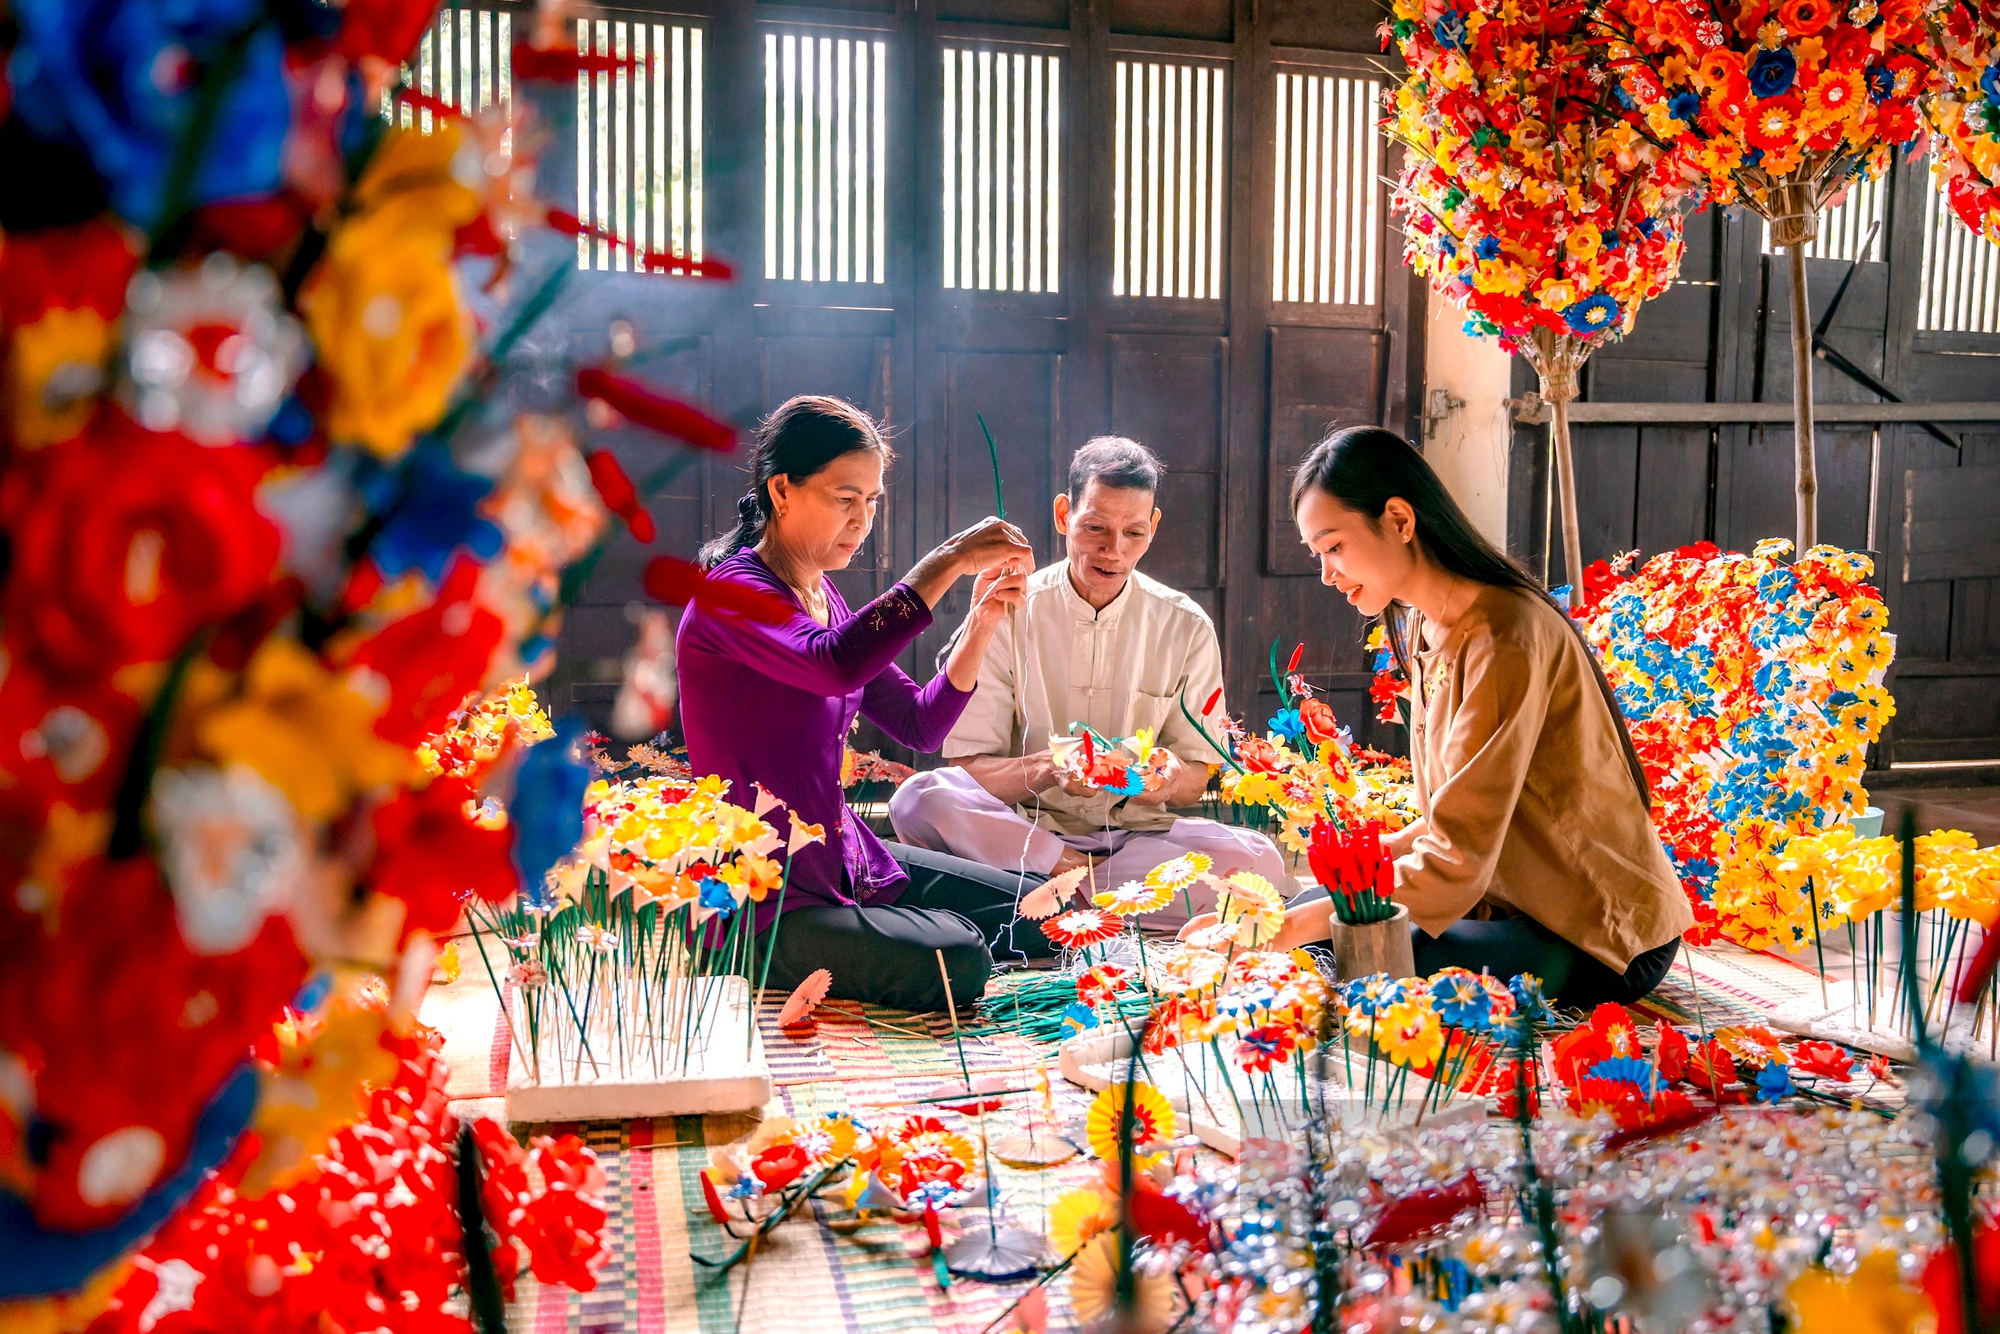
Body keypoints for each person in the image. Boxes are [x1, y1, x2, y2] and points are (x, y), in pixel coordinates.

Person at [1184, 426, 1692, 1007]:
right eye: (1317, 554)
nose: (1326, 573)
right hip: (1507, 903)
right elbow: (1441, 821)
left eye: (1334, 546)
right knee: (1309, 913)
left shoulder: (1504, 637)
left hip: (1594, 934)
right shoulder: (1428, 624)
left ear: (1400, 521)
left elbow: (1455, 856)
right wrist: (1316, 898)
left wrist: (1281, 931)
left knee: (1354, 957)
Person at [676, 395, 1052, 1013]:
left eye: (872, 501)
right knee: (959, 958)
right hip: (764, 891)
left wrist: (982, 618)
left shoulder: (822, 597)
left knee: (1043, 908)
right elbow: (836, 663)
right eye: (845, 499)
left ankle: (887, 930)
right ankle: (766, 951)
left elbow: (918, 723)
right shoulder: (733, 595)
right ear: (782, 491)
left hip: (837, 853)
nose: (862, 519)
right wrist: (948, 559)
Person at [890, 437, 1297, 927]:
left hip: (1137, 844)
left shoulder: (1185, 625)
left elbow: (1195, 779)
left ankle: (1049, 898)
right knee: (919, 798)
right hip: (1026, 833)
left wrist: (1166, 775)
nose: (1114, 551)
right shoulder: (1009, 608)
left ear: (1155, 527)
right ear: (1064, 515)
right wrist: (1047, 767)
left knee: (1262, 862)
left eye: (1134, 533)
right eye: (1095, 528)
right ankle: (1084, 887)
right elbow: (968, 766)